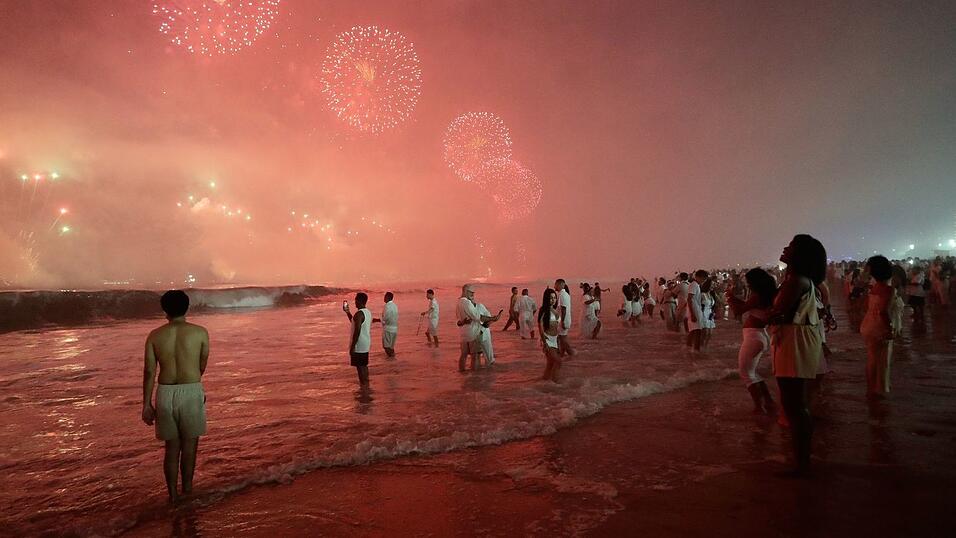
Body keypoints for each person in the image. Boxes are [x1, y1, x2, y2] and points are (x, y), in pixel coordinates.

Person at [142, 290, 209, 503]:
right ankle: (188, 491)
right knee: (190, 447)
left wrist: (146, 404)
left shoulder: (155, 335)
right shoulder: (200, 333)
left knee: (171, 450)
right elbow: (201, 364)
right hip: (190, 390)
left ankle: (172, 497)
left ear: (165, 309)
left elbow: (149, 372)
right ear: (187, 307)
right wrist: (196, 387)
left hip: (165, 392)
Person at [769, 234, 827, 477]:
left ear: (799, 255)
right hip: (798, 339)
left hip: (795, 341)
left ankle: (802, 464)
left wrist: (753, 311)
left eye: (790, 246)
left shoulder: (796, 281)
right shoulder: (801, 280)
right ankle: (801, 461)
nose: (785, 248)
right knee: (795, 403)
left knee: (794, 404)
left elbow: (776, 312)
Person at [726, 268, 777, 414]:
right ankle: (768, 401)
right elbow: (746, 306)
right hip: (760, 335)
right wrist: (734, 298)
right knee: (752, 372)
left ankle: (758, 407)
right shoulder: (766, 295)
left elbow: (738, 311)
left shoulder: (757, 296)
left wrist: (730, 297)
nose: (747, 284)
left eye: (748, 282)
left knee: (746, 374)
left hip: (754, 337)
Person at [860, 255, 900, 397]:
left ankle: (870, 388)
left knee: (872, 358)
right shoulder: (888, 289)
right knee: (882, 360)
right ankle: (878, 390)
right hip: (879, 326)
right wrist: (889, 328)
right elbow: (883, 311)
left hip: (868, 324)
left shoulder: (874, 287)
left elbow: (867, 306)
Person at [343, 292, 372, 389]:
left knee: (360, 368)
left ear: (359, 301)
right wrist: (347, 312)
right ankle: (366, 384)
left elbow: (357, 331)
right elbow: (354, 323)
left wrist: (352, 347)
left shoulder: (359, 314)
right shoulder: (367, 312)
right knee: (364, 365)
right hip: (366, 343)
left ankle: (364, 387)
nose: (355, 302)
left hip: (359, 344)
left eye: (356, 300)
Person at [456, 284, 482, 372]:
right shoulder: (467, 302)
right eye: (471, 292)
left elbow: (458, 320)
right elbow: (476, 316)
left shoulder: (459, 302)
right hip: (472, 332)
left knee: (463, 355)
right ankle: (474, 377)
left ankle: (461, 373)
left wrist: (464, 321)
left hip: (463, 333)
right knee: (474, 356)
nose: (473, 294)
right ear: (466, 291)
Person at [537, 288, 562, 382]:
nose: (553, 300)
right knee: (558, 361)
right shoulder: (543, 310)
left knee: (550, 363)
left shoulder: (555, 310)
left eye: (554, 297)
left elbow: (557, 328)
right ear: (546, 299)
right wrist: (544, 342)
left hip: (555, 339)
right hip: (546, 339)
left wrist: (558, 343)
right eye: (551, 298)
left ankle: (545, 382)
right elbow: (540, 326)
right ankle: (556, 383)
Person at [474, 301, 504, 366]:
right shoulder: (479, 306)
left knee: (477, 357)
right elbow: (487, 323)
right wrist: (493, 319)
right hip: (482, 333)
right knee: (489, 359)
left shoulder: (466, 308)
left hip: (474, 335)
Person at [686, 270, 707, 351]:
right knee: (697, 331)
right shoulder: (694, 285)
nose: (703, 281)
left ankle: (689, 348)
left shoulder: (696, 285)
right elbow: (689, 299)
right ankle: (696, 349)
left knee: (693, 330)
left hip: (696, 309)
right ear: (698, 277)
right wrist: (692, 314)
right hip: (694, 310)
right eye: (703, 279)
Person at [372, 292, 398, 358]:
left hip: (388, 329)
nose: (384, 298)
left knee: (386, 347)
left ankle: (391, 359)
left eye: (385, 296)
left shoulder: (387, 306)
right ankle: (393, 360)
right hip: (395, 329)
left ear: (388, 297)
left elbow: (386, 318)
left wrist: (377, 320)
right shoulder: (395, 305)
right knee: (391, 347)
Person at [554, 279, 575, 357]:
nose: (554, 286)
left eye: (555, 284)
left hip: (563, 319)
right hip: (564, 319)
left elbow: (563, 309)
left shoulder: (562, 295)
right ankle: (562, 354)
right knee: (562, 338)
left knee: (562, 339)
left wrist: (562, 321)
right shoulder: (564, 294)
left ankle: (572, 353)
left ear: (560, 285)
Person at [699, 275, 716, 350]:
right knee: (704, 333)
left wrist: (713, 312)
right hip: (703, 314)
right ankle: (700, 347)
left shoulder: (711, 295)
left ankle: (705, 348)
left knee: (710, 334)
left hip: (710, 314)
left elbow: (713, 305)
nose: (713, 286)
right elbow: (697, 304)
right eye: (712, 285)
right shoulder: (702, 294)